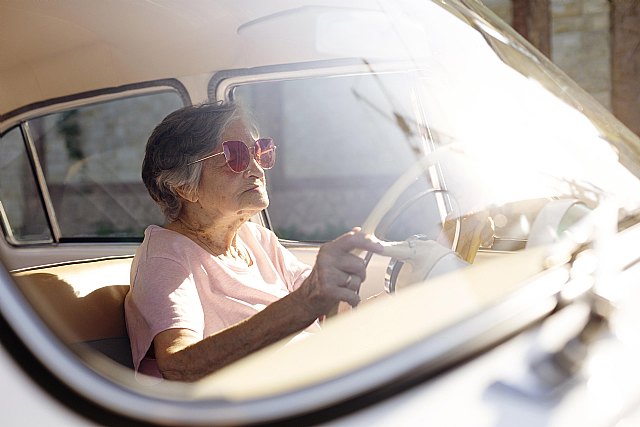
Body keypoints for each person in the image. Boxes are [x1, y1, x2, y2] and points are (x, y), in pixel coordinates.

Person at [124, 102, 383, 382]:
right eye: (235, 157)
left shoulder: (256, 238)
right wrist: (304, 302)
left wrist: (406, 294)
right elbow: (179, 365)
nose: (257, 169)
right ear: (184, 187)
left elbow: (330, 313)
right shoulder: (165, 258)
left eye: (260, 152)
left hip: (312, 383)